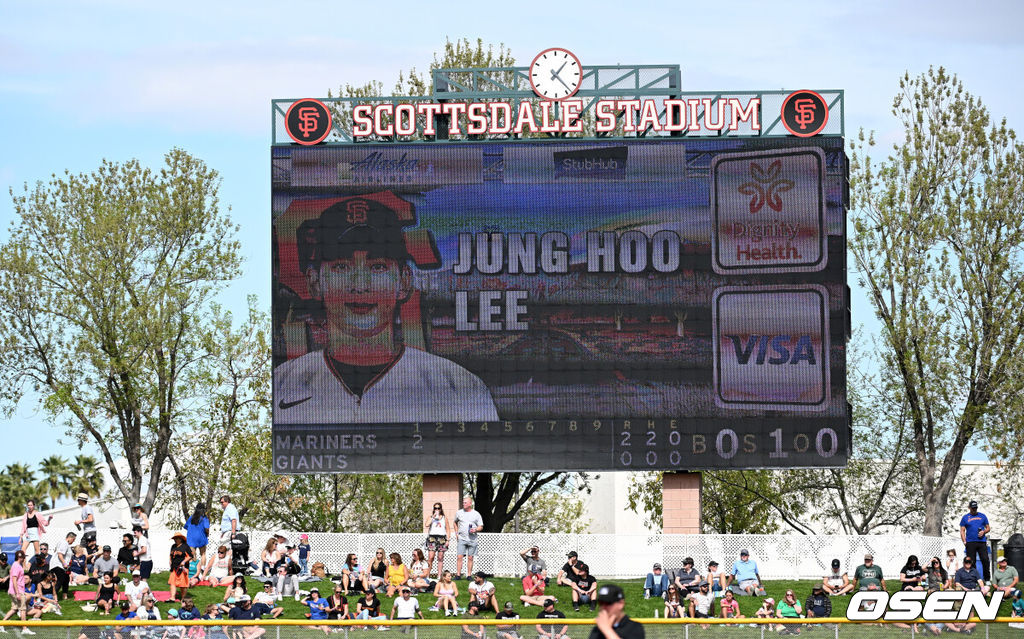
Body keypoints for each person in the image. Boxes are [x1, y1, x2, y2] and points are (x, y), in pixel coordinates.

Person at [273, 196, 499, 425]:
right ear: (315, 282)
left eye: (377, 267)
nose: (360, 285)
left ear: (403, 281)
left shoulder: (458, 387)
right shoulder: (281, 384)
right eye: (341, 266)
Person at [2, 551, 33, 635]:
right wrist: (18, 593)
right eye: (24, 557)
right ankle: (24, 628)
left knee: (14, 609)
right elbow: (14, 579)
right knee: (23, 609)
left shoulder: (16, 565)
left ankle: (2, 624)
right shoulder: (16, 566)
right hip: (17, 591)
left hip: (15, 591)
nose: (25, 559)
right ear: (20, 558)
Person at [960, 500, 991, 581]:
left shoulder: (982, 516)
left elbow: (988, 528)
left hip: (981, 542)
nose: (974, 509)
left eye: (975, 508)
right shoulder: (965, 517)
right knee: (971, 562)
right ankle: (974, 579)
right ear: (969, 508)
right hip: (970, 542)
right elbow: (962, 530)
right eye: (973, 508)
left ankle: (987, 579)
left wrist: (984, 531)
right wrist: (964, 541)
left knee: (985, 560)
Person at [455, 497, 484, 580]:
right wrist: (457, 533)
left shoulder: (476, 514)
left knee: (470, 557)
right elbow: (454, 522)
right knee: (459, 556)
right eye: (463, 502)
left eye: (465, 503)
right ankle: (458, 575)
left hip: (472, 539)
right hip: (462, 538)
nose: (463, 504)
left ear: (470, 504)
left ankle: (468, 575)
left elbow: (481, 526)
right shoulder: (459, 513)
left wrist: (475, 529)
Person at [425, 503, 452, 578]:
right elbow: (426, 525)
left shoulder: (444, 518)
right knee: (431, 557)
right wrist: (432, 517)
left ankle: (439, 575)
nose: (437, 510)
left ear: (441, 509)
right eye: (435, 508)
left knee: (440, 557)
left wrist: (448, 540)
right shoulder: (431, 517)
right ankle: (427, 575)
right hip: (432, 537)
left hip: (442, 538)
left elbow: (448, 529)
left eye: (438, 508)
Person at [169, 532, 192, 602]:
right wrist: (170, 561)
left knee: (183, 584)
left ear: (181, 539)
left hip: (183, 568)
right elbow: (170, 555)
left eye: (176, 538)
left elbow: (190, 556)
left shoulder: (185, 546)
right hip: (174, 567)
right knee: (172, 582)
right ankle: (172, 597)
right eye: (174, 538)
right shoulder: (173, 546)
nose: (175, 540)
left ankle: (183, 598)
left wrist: (184, 562)